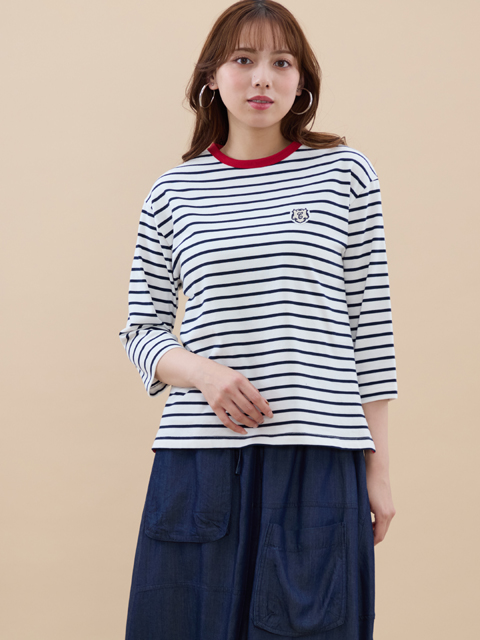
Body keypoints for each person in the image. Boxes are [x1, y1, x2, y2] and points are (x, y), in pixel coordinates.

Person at [118, 1, 398, 638]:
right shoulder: (174, 192)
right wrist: (205, 375)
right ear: (212, 77)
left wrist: (379, 470)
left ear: (302, 81)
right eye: (243, 60)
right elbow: (141, 330)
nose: (262, 78)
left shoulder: (344, 175)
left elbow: (371, 332)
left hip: (317, 458)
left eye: (282, 62)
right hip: (199, 463)